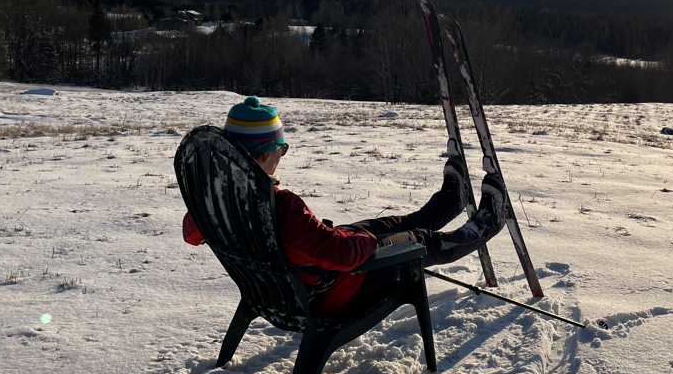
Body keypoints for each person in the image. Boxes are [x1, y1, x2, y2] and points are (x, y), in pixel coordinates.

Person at [182, 96, 506, 313]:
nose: (282, 155)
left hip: (293, 280)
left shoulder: (216, 203)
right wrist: (367, 241)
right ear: (267, 154)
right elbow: (341, 254)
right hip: (335, 288)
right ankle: (488, 221)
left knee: (395, 224)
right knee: (419, 241)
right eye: (282, 148)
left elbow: (190, 234)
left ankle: (453, 198)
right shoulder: (282, 208)